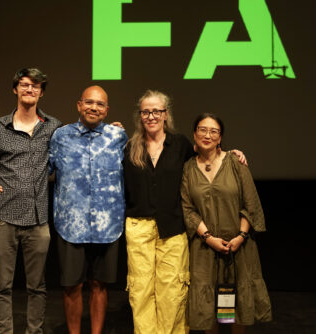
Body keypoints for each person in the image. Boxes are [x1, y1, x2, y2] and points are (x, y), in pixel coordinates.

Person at [123, 90, 247, 334]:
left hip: (173, 227)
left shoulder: (180, 145)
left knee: (173, 290)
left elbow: (207, 155)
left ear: (166, 114)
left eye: (156, 111)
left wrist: (232, 154)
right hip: (139, 227)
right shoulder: (129, 147)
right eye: (146, 111)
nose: (151, 116)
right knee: (141, 290)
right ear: (140, 115)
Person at [0, 68, 62, 334]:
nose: (29, 90)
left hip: (38, 220)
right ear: (15, 89)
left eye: (35, 86)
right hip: (3, 216)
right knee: (2, 287)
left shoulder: (53, 127)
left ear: (41, 92)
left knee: (37, 287)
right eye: (24, 85)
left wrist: (111, 128)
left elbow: (75, 144)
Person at [180, 113, 272, 334]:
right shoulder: (188, 169)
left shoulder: (236, 163)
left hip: (237, 247)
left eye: (214, 131)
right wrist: (208, 238)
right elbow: (188, 208)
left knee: (235, 308)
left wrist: (240, 236)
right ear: (194, 134)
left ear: (220, 137)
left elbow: (250, 203)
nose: (207, 135)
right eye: (202, 129)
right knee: (210, 308)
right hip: (205, 248)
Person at [48, 85, 127, 334]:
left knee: (99, 284)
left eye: (100, 104)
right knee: (72, 286)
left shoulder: (118, 137)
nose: (94, 107)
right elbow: (41, 170)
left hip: (108, 224)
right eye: (89, 102)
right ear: (79, 105)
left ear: (106, 110)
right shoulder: (61, 136)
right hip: (71, 224)